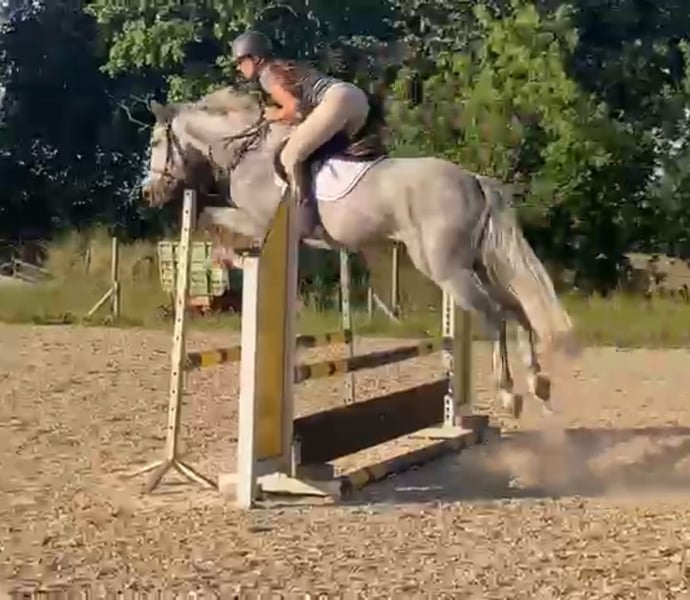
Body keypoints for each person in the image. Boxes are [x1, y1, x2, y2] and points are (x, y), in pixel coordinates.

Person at [231, 30, 372, 238]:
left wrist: (274, 114)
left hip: (337, 100)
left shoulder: (267, 75)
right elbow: (303, 114)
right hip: (357, 100)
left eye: (241, 61)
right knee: (319, 155)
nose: (238, 67)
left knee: (289, 156)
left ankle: (306, 219)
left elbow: (294, 109)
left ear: (256, 58)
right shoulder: (286, 67)